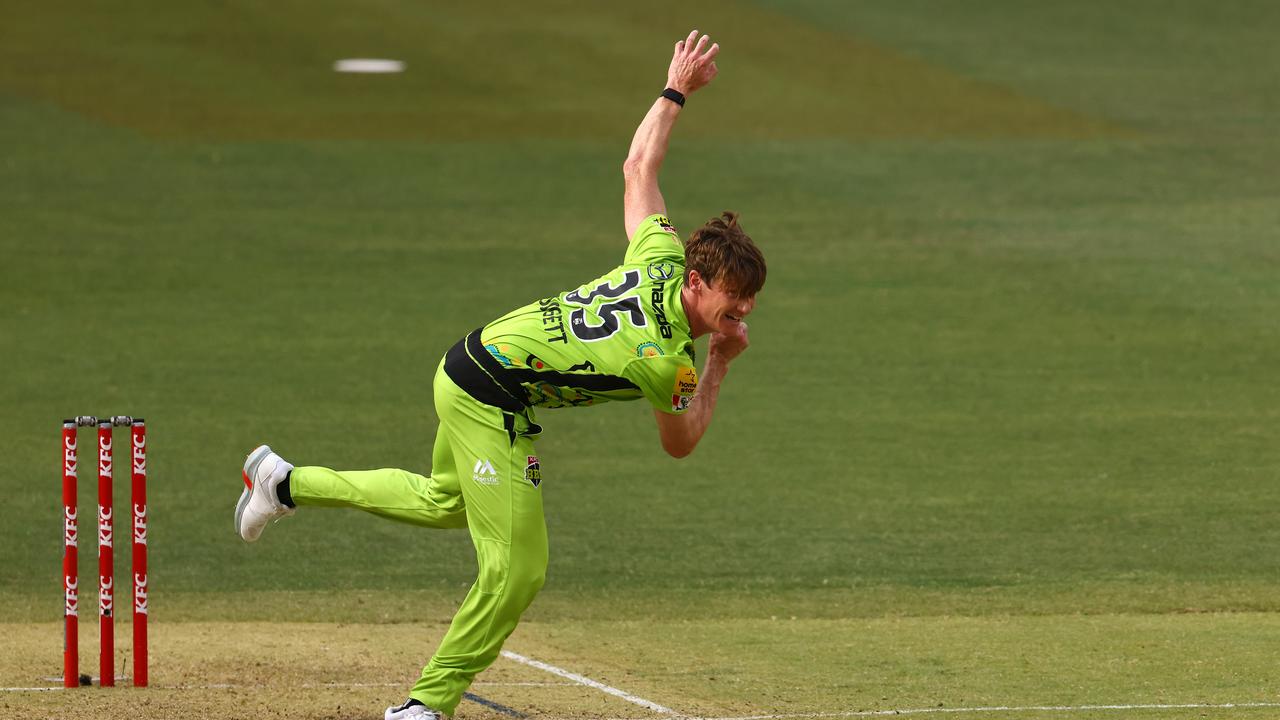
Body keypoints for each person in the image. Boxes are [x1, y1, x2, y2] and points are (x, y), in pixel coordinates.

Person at [233, 30, 765, 720]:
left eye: (751, 303)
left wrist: (674, 91)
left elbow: (639, 167)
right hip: (492, 397)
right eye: (733, 301)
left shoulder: (657, 253)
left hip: (465, 363)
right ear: (697, 283)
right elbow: (681, 442)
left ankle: (282, 481)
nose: (743, 312)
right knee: (517, 571)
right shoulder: (668, 359)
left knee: (441, 502)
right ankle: (425, 704)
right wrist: (720, 364)